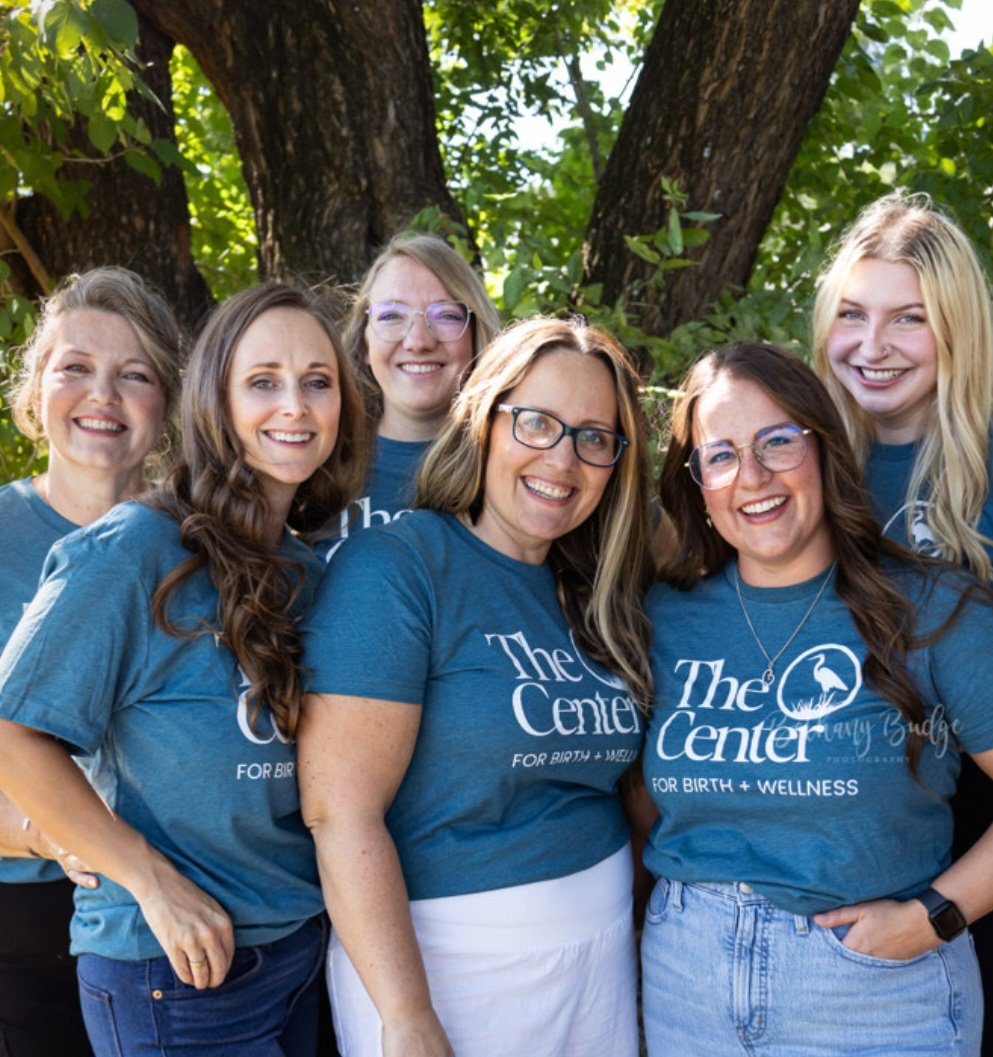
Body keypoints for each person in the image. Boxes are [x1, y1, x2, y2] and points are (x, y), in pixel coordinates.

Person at [0, 281, 367, 1057]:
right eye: (262, 381)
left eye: (317, 381)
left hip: (300, 945)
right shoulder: (134, 546)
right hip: (177, 969)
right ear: (214, 401)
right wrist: (150, 881)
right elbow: (13, 733)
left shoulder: (305, 567)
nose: (294, 405)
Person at [298, 316, 655, 1057]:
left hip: (600, 966)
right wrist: (405, 1012)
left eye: (594, 437)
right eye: (537, 422)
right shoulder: (398, 567)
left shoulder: (592, 592)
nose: (563, 458)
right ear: (484, 421)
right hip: (451, 972)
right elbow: (340, 812)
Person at [642, 340, 993, 1057]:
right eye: (720, 455)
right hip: (686, 981)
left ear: (825, 448)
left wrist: (934, 917)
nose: (752, 476)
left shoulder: (932, 608)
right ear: (697, 485)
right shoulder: (664, 617)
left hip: (877, 992)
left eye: (777, 441)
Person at [813, 191, 993, 1053]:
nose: (870, 345)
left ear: (956, 329)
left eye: (908, 319)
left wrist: (936, 914)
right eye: (851, 314)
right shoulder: (801, 465)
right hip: (865, 842)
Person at [0, 266, 181, 1057]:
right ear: (34, 390)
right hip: (29, 927)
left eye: (134, 374)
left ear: (168, 404)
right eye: (75, 367)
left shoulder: (204, 542)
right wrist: (46, 832)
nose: (102, 394)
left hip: (195, 920)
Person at [310, 232, 500, 560]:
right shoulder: (318, 462)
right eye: (391, 316)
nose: (418, 341)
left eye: (446, 315)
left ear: (475, 335)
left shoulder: (510, 470)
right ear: (364, 343)